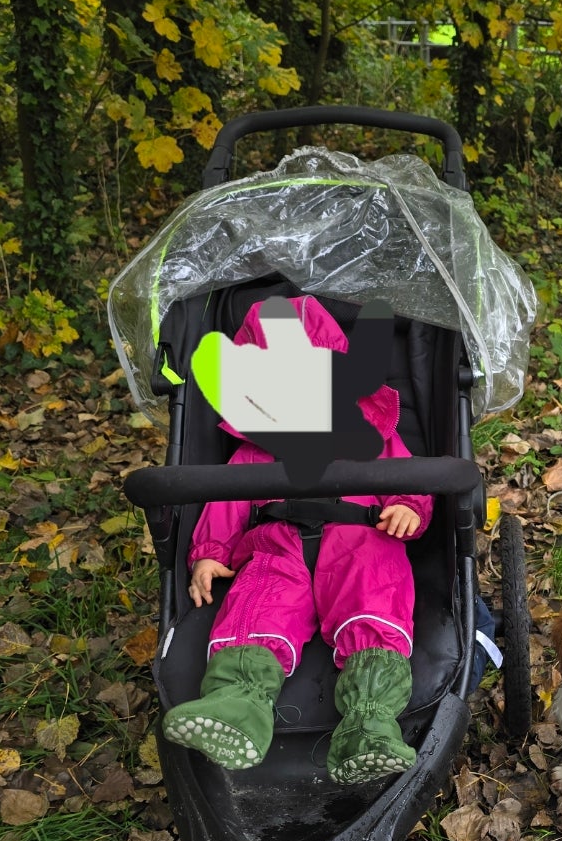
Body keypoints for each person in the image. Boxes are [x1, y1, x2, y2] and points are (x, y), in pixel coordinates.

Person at [161, 293, 432, 781]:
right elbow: (226, 502)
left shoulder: (374, 434)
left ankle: (369, 722)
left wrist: (407, 505)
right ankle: (237, 706)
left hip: (362, 540)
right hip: (275, 545)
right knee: (256, 609)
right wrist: (208, 554)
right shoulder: (252, 451)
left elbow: (408, 476)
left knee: (373, 607)